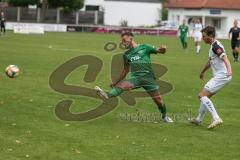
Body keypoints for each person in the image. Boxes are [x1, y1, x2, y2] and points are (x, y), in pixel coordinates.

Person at [95, 32, 173, 123]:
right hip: (136, 79)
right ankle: (107, 95)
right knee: (123, 85)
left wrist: (164, 49)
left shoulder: (145, 47)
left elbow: (160, 51)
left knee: (158, 100)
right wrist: (115, 82)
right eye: (122, 41)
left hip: (149, 78)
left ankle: (165, 116)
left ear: (131, 38)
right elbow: (125, 70)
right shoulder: (127, 54)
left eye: (124, 40)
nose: (123, 43)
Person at [190, 26, 232, 129]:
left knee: (201, 95)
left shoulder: (215, 46)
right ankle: (199, 119)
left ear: (210, 36)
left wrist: (229, 70)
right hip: (221, 76)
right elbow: (210, 61)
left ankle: (216, 118)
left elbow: (225, 58)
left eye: (204, 36)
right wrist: (202, 72)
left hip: (222, 76)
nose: (202, 38)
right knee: (205, 96)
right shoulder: (213, 46)